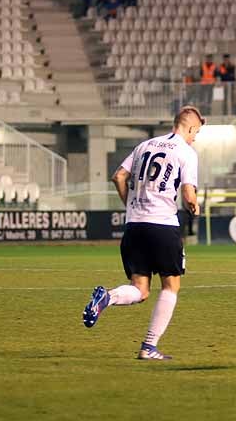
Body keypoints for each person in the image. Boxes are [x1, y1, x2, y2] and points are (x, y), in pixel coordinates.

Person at [82, 106, 205, 360]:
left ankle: (108, 297)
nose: (195, 138)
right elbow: (188, 194)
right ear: (190, 128)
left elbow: (118, 177)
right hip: (163, 225)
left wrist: (130, 205)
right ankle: (149, 347)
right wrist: (194, 206)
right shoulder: (186, 152)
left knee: (140, 289)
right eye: (197, 133)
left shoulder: (144, 146)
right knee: (171, 285)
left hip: (134, 225)